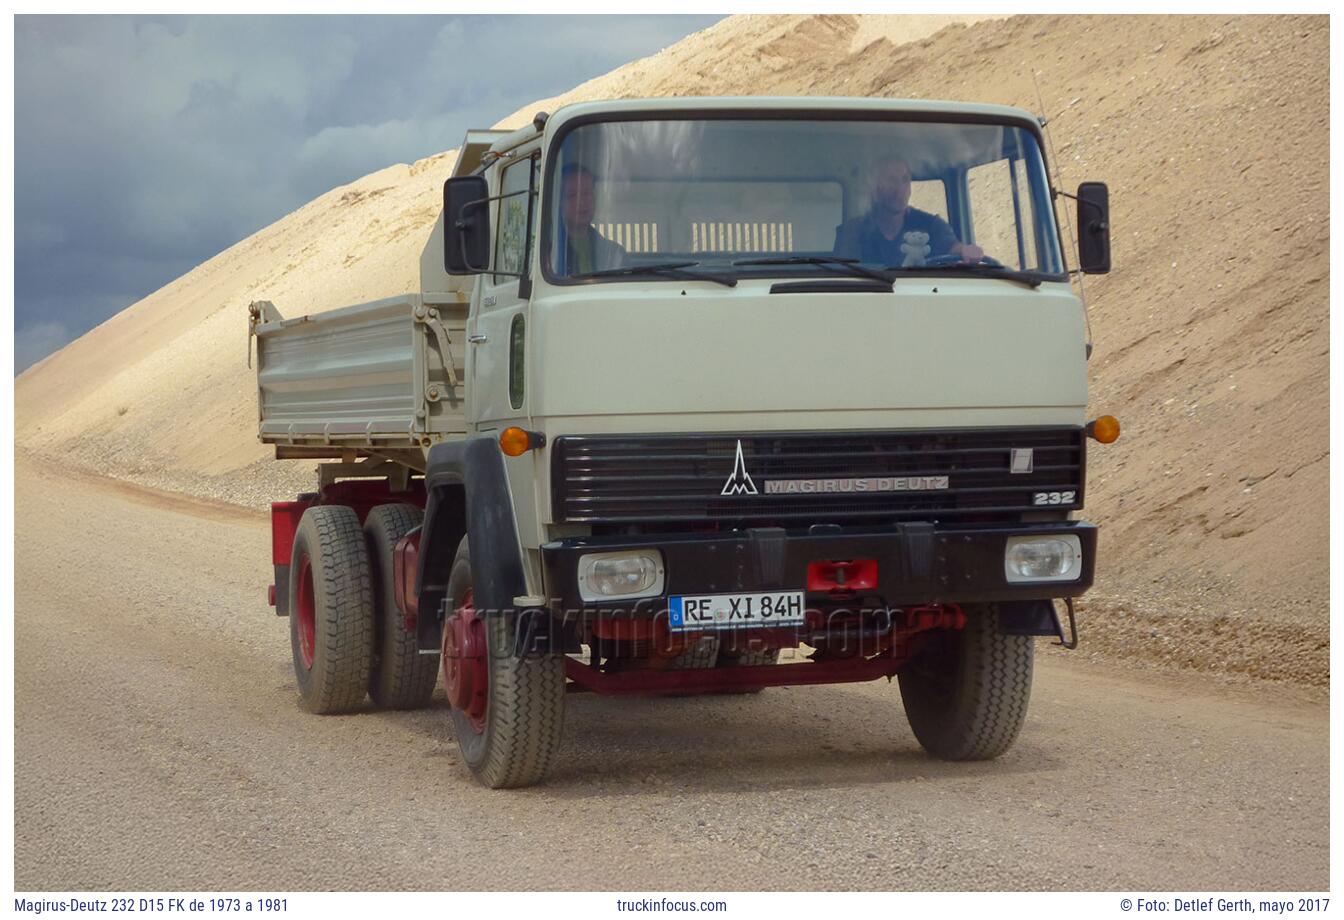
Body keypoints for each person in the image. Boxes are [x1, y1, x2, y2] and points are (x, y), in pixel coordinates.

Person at [833, 156, 985, 266]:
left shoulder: (931, 225)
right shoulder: (853, 231)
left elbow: (953, 248)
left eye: (905, 180)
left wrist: (966, 251)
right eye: (891, 180)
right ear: (874, 188)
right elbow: (844, 278)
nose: (900, 188)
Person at [557, 163, 626, 276]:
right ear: (560, 202)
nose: (581, 202)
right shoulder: (550, 254)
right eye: (572, 195)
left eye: (586, 193)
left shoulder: (614, 253)